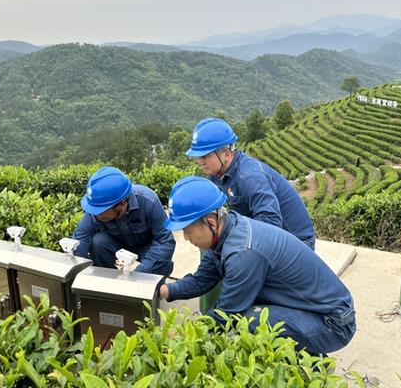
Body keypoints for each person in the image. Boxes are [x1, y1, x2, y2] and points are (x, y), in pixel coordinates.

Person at [160, 176, 355, 355]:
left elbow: (226, 313)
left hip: (332, 323)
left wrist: (185, 335)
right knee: (246, 313)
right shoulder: (226, 231)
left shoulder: (243, 253)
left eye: (187, 230)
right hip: (310, 309)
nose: (186, 238)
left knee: (250, 319)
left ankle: (309, 363)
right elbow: (203, 279)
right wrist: (167, 290)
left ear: (211, 222)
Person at [187, 117, 315, 249]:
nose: (200, 162)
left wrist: (232, 236)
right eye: (197, 157)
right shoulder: (217, 174)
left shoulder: (250, 177)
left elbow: (271, 222)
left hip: (295, 243)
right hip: (267, 234)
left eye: (204, 156)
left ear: (226, 153)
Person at [72, 166, 175, 276]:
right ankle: (109, 283)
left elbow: (165, 241)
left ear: (121, 205)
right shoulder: (96, 207)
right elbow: (81, 238)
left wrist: (140, 272)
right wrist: (75, 273)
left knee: (161, 261)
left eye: (100, 211)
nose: (94, 214)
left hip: (146, 248)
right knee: (98, 242)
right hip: (118, 246)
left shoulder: (148, 201)